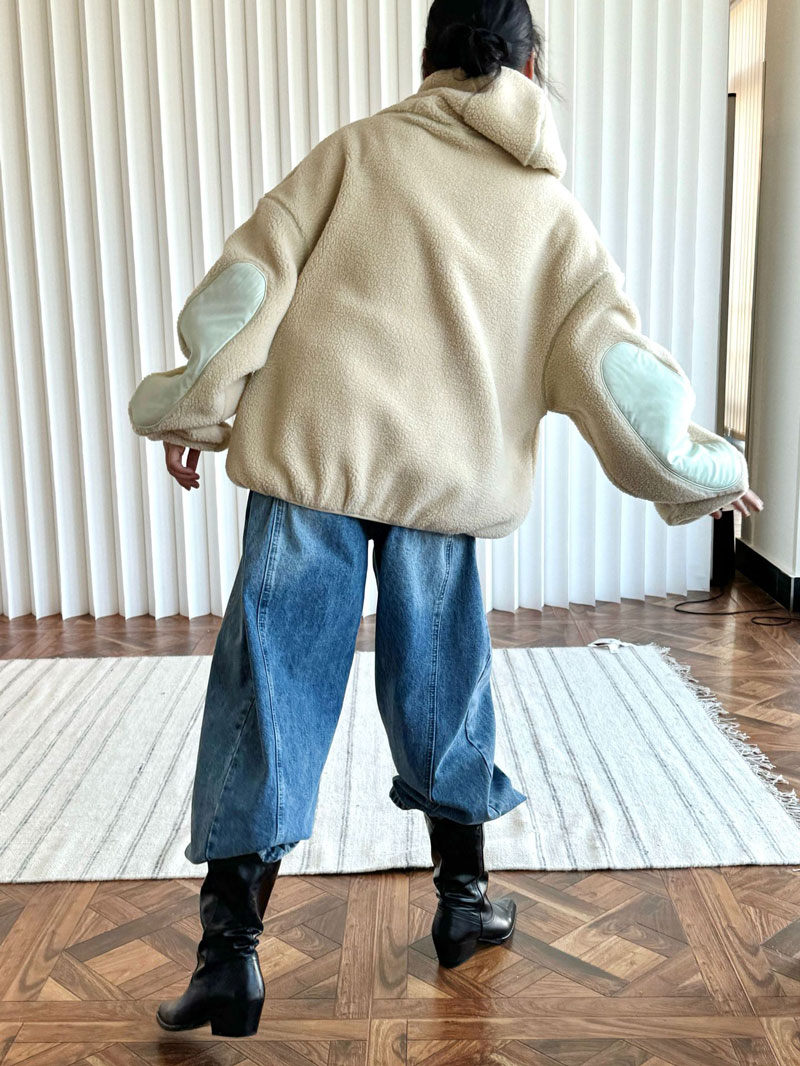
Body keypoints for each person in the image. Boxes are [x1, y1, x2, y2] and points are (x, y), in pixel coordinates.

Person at [129, 0, 763, 1039]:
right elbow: (613, 370)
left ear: (427, 60)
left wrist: (193, 407)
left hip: (311, 462)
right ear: (529, 65)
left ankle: (228, 958)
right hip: (441, 487)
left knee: (268, 690)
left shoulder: (353, 154)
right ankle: (463, 907)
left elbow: (248, 284)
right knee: (443, 690)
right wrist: (700, 469)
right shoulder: (548, 212)